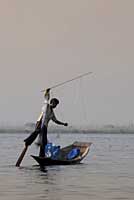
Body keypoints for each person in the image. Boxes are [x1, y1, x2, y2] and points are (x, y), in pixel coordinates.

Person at [24, 88, 68, 157]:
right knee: (37, 131)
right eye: (55, 104)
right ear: (52, 103)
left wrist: (63, 124)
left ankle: (42, 155)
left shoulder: (52, 113)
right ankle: (27, 142)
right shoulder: (46, 106)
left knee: (43, 142)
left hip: (45, 126)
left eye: (56, 105)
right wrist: (47, 92)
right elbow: (46, 99)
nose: (55, 106)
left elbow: (56, 121)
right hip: (40, 122)